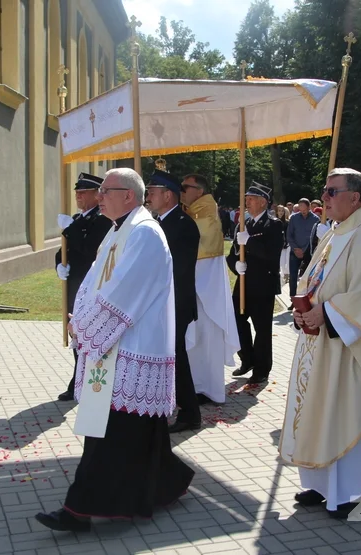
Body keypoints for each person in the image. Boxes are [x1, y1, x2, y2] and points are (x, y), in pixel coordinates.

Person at [35, 168, 194, 531]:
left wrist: (88, 325)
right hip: (115, 344)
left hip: (130, 346)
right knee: (138, 430)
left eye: (107, 190)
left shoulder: (144, 233)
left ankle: (80, 508)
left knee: (108, 434)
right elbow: (94, 279)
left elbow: (122, 292)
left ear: (129, 195)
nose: (99, 196)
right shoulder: (119, 229)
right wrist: (79, 314)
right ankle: (167, 481)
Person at [280, 168, 361, 519]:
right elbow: (312, 277)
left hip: (354, 352)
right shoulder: (336, 233)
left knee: (348, 414)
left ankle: (350, 492)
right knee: (321, 413)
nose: (324, 197)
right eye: (324, 190)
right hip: (322, 345)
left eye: (331, 191)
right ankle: (322, 485)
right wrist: (303, 306)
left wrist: (328, 312)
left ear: (355, 197)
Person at [146, 169, 202, 432]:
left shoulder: (182, 224)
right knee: (170, 357)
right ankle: (175, 407)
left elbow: (175, 270)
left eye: (153, 193)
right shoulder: (161, 223)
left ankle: (190, 414)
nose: (149, 197)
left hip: (175, 304)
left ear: (168, 196)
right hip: (164, 304)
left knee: (176, 358)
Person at [181, 173, 239, 406]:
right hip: (195, 284)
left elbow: (196, 244)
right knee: (196, 339)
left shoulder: (205, 213)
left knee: (206, 336)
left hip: (205, 288)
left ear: (200, 191)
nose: (181, 190)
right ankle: (195, 386)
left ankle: (209, 389)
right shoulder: (190, 211)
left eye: (186, 187)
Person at [55, 172, 113, 401]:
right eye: (77, 193)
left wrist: (71, 228)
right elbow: (63, 250)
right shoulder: (78, 220)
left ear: (97, 195)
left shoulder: (102, 220)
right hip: (74, 285)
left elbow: (91, 249)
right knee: (76, 334)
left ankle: (84, 382)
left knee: (88, 334)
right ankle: (78, 379)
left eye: (83, 193)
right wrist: (59, 264)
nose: (78, 197)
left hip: (90, 287)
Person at [226, 182, 284, 385]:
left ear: (262, 202)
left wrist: (249, 241)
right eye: (246, 199)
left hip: (262, 285)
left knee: (262, 328)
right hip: (243, 282)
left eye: (250, 199)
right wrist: (236, 266)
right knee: (236, 321)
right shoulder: (245, 225)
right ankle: (247, 358)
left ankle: (261, 368)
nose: (246, 203)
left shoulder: (273, 225)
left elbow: (271, 254)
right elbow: (232, 254)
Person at [286, 198, 319, 297]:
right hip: (295, 251)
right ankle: (293, 298)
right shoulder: (294, 218)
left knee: (307, 277)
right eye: (301, 210)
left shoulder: (316, 219)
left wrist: (304, 250)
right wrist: (296, 249)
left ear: (309, 207)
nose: (303, 212)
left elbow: (314, 238)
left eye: (305, 210)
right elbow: (289, 235)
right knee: (293, 276)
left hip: (308, 252)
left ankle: (304, 297)